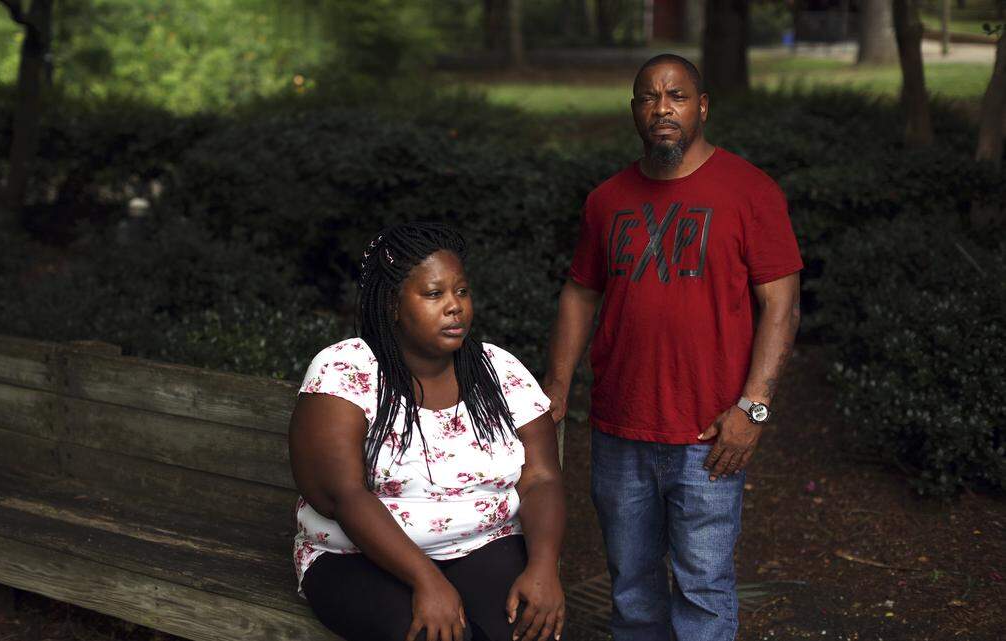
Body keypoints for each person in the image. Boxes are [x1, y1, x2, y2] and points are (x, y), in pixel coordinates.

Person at [541, 54, 803, 641]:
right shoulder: (606, 200)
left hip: (709, 435)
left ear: (702, 106)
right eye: (649, 97)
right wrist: (558, 385)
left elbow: (781, 306)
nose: (663, 108)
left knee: (703, 589)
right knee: (631, 588)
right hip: (619, 428)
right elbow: (581, 292)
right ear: (634, 110)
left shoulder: (750, 191)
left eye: (677, 96)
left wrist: (753, 408)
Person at [289, 222, 566, 641]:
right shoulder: (346, 370)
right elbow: (342, 494)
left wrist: (544, 565)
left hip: (484, 545)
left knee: (527, 627)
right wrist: (426, 580)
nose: (455, 307)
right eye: (434, 294)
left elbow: (542, 477)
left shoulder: (500, 370)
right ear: (392, 305)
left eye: (461, 292)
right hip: (354, 558)